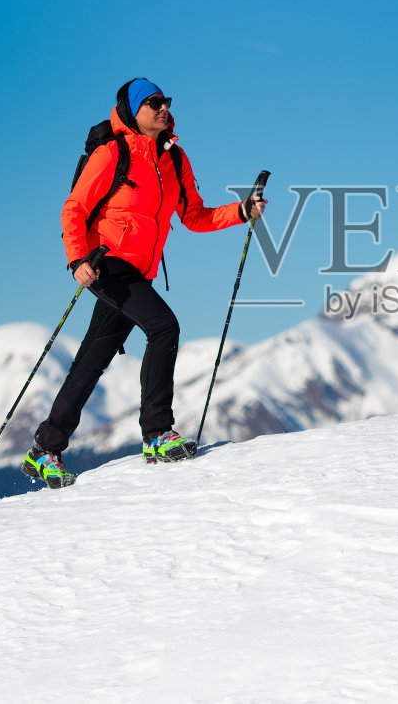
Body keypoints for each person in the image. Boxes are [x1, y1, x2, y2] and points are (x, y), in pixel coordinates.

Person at [22, 78, 266, 488]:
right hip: (106, 263)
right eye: (153, 102)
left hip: (139, 271)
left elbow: (194, 216)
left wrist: (241, 211)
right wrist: (77, 258)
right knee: (163, 326)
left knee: (92, 360)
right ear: (134, 110)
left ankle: (44, 449)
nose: (163, 108)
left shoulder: (174, 159)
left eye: (166, 101)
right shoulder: (113, 153)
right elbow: (74, 209)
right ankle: (156, 434)